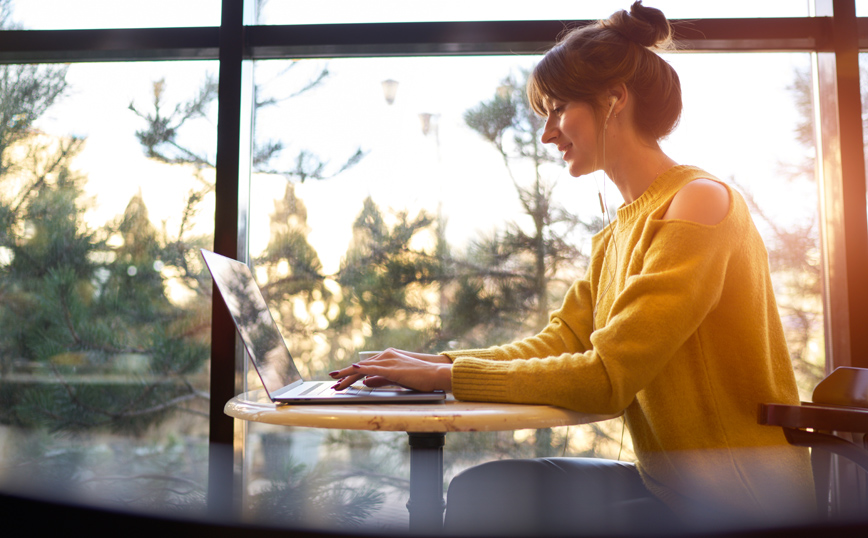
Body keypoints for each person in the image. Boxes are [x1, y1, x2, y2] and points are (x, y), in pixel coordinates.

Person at [330, 1, 815, 534]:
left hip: (740, 498)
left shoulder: (699, 202)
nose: (547, 133)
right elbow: (560, 340)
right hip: (671, 486)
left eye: (558, 108)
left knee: (493, 507)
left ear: (614, 100)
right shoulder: (619, 231)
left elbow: (606, 377)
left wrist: (446, 376)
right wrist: (436, 362)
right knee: (483, 490)